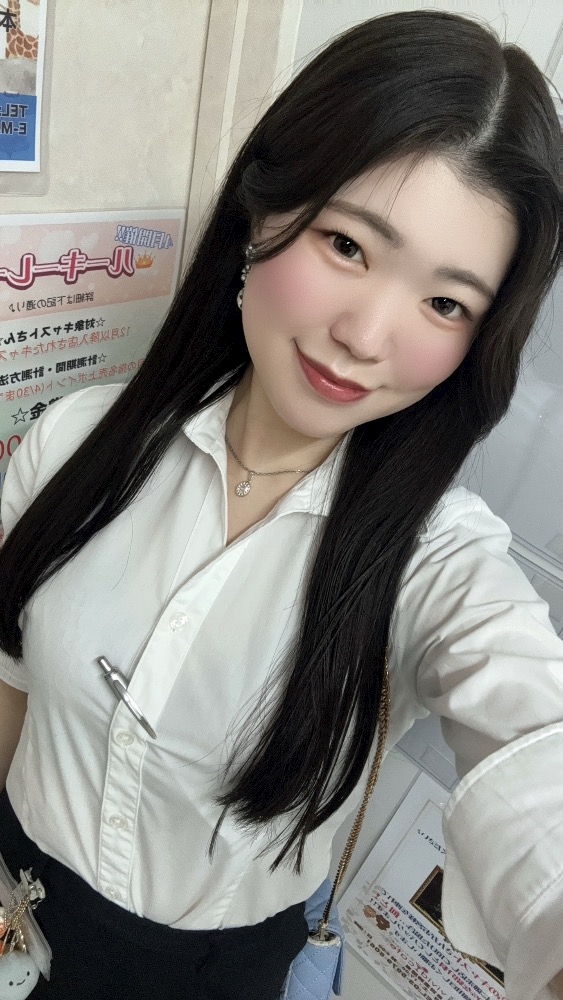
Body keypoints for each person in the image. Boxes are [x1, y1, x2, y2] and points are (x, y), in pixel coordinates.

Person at [0, 9, 561, 1000]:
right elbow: (10, 679)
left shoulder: (434, 561)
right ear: (261, 215)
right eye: (347, 244)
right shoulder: (73, 441)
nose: (366, 335)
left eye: (444, 303)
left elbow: (530, 734)